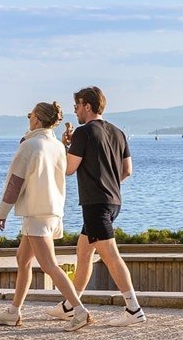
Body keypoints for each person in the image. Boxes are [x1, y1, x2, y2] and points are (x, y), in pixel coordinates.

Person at [0, 101, 93, 328]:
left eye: (30, 115)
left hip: (36, 212)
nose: (29, 118)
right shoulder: (56, 146)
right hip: (52, 210)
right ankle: (13, 311)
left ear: (36, 119)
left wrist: (2, 212)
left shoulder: (30, 146)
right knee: (23, 259)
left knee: (49, 265)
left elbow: (15, 183)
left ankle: (79, 311)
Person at [52, 85, 145, 325]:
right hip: (114, 201)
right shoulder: (118, 132)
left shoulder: (83, 132)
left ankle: (134, 310)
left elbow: (69, 169)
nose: (75, 110)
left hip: (95, 204)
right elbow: (127, 171)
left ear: (88, 106)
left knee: (111, 256)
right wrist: (109, 182)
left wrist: (65, 146)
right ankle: (70, 305)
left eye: (77, 106)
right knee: (83, 253)